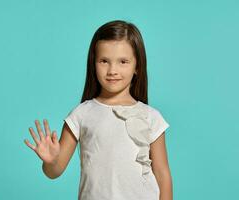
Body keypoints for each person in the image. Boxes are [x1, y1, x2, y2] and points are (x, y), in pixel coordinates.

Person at [24, 19, 173, 200]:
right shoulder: (81, 114)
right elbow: (54, 172)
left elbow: (162, 175)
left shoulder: (151, 117)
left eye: (123, 61)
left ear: (137, 66)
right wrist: (51, 161)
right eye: (104, 61)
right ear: (93, 63)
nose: (112, 70)